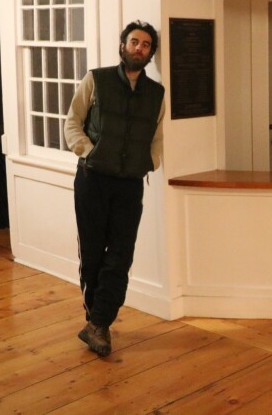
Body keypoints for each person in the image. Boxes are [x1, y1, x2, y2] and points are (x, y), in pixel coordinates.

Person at [63, 20, 165, 357]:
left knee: (121, 255)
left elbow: (156, 135)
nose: (139, 48)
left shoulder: (156, 93)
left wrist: (151, 162)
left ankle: (99, 323)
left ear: (150, 53)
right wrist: (89, 152)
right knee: (93, 253)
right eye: (134, 41)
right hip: (92, 179)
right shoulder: (97, 79)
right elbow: (72, 123)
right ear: (123, 45)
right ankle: (98, 323)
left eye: (146, 44)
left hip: (130, 183)